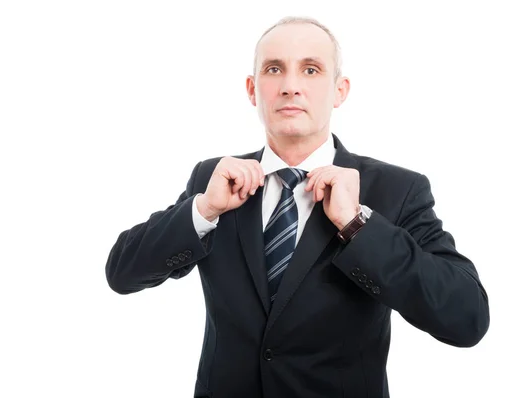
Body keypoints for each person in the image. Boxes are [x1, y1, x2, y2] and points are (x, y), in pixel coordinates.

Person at [105, 16, 490, 398]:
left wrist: (357, 226)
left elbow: (466, 318)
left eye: (310, 69)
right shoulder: (215, 179)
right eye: (275, 69)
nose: (290, 87)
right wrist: (203, 209)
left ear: (339, 90)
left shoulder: (397, 189)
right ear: (253, 89)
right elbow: (123, 273)